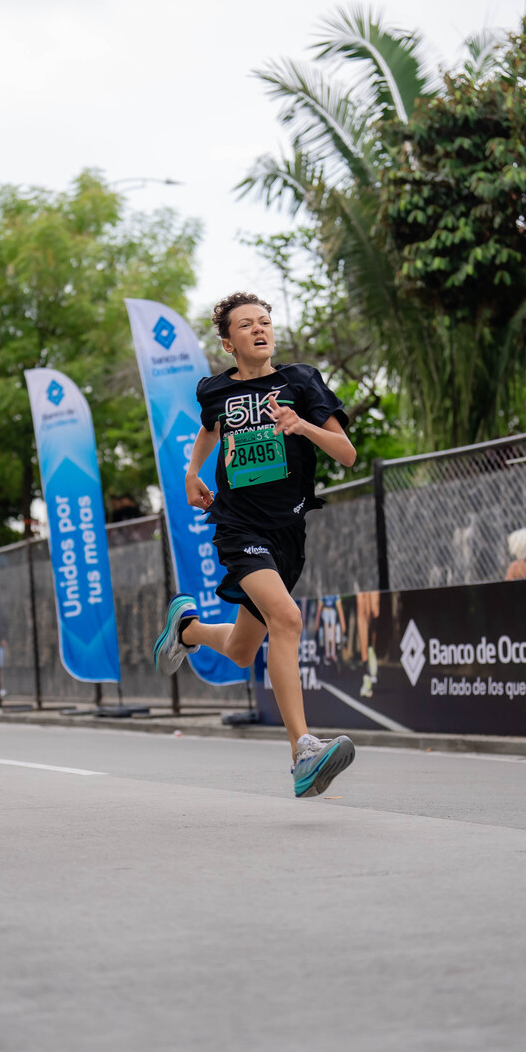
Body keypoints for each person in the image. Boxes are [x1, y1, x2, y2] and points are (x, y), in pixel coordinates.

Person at [153, 291, 357, 798]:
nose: (259, 329)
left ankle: (187, 628)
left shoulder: (301, 382)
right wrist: (192, 473)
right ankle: (303, 752)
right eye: (246, 325)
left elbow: (347, 454)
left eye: (264, 321)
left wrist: (300, 425)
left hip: (287, 531)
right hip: (238, 526)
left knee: (243, 651)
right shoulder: (215, 390)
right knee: (287, 618)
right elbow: (211, 429)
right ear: (229, 343)